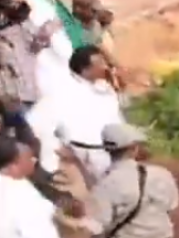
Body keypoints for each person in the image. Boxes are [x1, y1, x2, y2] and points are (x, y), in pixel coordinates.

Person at [26, 44, 123, 187]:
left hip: (114, 151)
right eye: (99, 63)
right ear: (85, 70)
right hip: (88, 156)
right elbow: (37, 122)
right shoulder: (63, 93)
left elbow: (114, 117)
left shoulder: (104, 88)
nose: (105, 67)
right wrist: (54, 152)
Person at [25, 0, 81, 101]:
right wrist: (73, 58)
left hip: (60, 63)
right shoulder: (35, 4)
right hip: (51, 65)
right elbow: (49, 36)